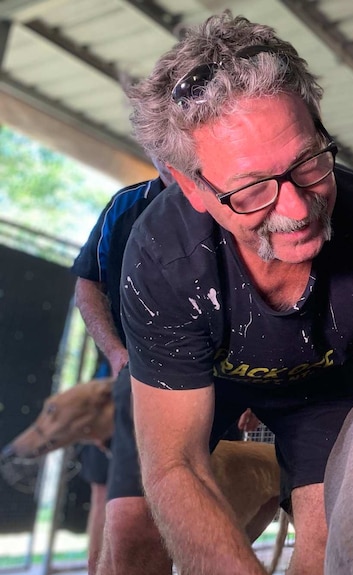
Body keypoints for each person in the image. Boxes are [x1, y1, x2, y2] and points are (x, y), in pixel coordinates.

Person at [115, 11, 353, 575]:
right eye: (250, 190)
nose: (297, 211)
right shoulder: (162, 260)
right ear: (193, 189)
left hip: (322, 383)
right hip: (199, 377)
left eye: (308, 163)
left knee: (329, 549)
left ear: (318, 123)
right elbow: (177, 464)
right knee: (131, 538)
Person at [71, 163, 173, 574]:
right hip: (122, 371)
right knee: (110, 493)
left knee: (185, 489)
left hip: (202, 379)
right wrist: (115, 354)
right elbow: (86, 285)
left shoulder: (225, 203)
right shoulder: (125, 204)